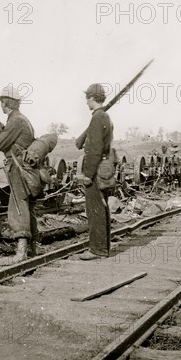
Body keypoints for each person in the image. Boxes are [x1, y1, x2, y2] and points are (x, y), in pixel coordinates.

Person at [0, 85, 39, 264]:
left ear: (6, 103)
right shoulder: (23, 119)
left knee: (18, 205)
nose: (0, 105)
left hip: (19, 169)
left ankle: (21, 253)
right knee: (27, 205)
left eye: (2, 102)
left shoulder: (15, 121)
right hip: (27, 169)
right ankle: (32, 249)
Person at [79, 84, 114, 260]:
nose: (86, 102)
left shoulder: (96, 118)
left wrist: (87, 174)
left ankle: (97, 250)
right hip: (104, 169)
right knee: (103, 206)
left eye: (87, 98)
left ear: (92, 98)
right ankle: (103, 247)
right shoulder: (106, 117)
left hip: (96, 170)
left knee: (95, 209)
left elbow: (94, 150)